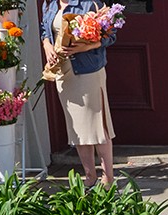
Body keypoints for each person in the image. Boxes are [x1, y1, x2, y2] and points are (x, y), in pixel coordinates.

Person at [42, 0, 118, 186]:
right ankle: (90, 176)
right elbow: (45, 31)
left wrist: (87, 46)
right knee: (78, 130)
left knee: (98, 127)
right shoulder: (50, 5)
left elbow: (111, 35)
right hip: (62, 73)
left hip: (88, 71)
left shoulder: (91, 4)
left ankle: (108, 176)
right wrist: (47, 46)